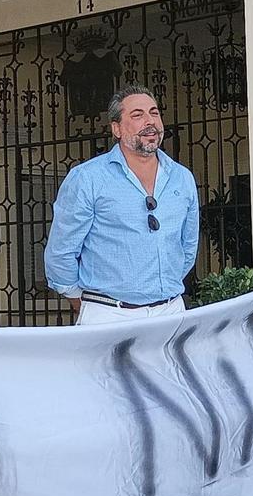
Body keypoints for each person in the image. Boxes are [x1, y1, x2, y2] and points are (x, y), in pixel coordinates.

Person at [44, 84, 199, 325]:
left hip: (170, 312)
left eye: (154, 112)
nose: (150, 121)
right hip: (109, 314)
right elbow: (61, 251)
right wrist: (79, 300)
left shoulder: (182, 178)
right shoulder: (87, 178)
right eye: (137, 115)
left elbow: (187, 246)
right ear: (116, 128)